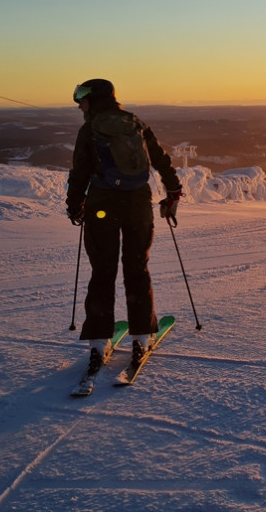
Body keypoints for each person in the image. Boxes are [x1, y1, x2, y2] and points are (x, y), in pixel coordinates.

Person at [66, 78, 182, 372]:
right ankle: (142, 336)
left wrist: (75, 206)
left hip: (101, 206)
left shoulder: (89, 129)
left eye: (82, 99)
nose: (80, 105)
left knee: (102, 272)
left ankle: (98, 342)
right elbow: (161, 160)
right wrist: (172, 193)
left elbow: (79, 171)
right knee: (136, 268)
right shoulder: (136, 124)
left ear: (93, 99)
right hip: (137, 204)